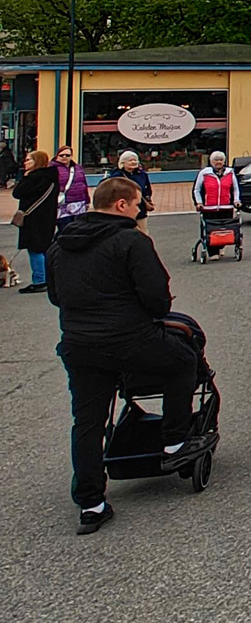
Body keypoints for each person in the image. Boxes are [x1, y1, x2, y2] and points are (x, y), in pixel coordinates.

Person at [47, 176, 206, 534]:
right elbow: (157, 299)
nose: (140, 211)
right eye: (138, 205)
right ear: (121, 205)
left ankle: (91, 503)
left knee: (87, 421)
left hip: (80, 345)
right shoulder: (131, 241)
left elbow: (56, 296)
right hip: (130, 339)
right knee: (183, 360)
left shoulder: (62, 244)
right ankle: (175, 439)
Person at [11, 150, 58, 293]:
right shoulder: (52, 177)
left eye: (29, 160)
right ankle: (48, 279)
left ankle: (39, 280)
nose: (25, 163)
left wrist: (25, 178)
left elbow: (17, 193)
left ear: (36, 161)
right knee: (44, 248)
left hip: (33, 218)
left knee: (35, 249)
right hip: (47, 217)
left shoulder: (34, 178)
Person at [193, 151, 239, 259]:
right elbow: (196, 189)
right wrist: (199, 202)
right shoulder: (204, 173)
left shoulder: (230, 172)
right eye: (216, 160)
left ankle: (221, 246)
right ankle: (213, 252)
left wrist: (236, 201)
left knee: (224, 229)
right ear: (211, 162)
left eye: (221, 160)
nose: (219, 162)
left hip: (226, 206)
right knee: (210, 229)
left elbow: (235, 189)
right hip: (209, 207)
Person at [109, 151, 154, 234]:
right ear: (123, 162)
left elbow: (147, 189)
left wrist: (147, 198)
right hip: (123, 209)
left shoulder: (142, 174)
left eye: (135, 160)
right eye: (130, 160)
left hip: (140, 208)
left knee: (143, 232)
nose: (133, 162)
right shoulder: (117, 176)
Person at [53, 145, 90, 229]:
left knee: (78, 228)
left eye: (67, 155)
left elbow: (84, 184)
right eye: (61, 155)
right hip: (63, 204)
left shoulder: (78, 168)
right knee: (64, 228)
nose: (64, 157)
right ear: (57, 156)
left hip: (79, 203)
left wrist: (87, 200)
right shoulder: (52, 168)